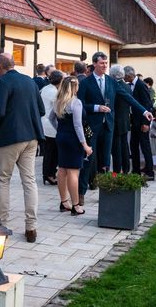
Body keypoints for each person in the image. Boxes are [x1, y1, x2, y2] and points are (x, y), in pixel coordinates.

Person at [77, 52, 153, 205]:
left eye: (106, 63)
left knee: (106, 160)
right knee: (89, 159)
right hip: (92, 126)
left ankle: (105, 192)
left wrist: (144, 111)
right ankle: (81, 193)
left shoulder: (112, 81)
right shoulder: (85, 82)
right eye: (102, 63)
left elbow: (128, 97)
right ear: (94, 64)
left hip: (109, 126)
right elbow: (80, 105)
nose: (105, 65)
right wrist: (96, 107)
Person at [0, 54, 45, 243]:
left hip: (10, 136)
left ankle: (2, 222)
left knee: (3, 179)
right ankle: (31, 227)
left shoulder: (2, 81)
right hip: (31, 136)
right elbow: (42, 110)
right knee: (29, 181)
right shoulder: (29, 81)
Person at [50, 77, 93, 216]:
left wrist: (59, 130)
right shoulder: (76, 102)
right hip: (73, 139)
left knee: (62, 170)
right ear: (74, 87)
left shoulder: (58, 101)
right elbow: (78, 125)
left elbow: (51, 118)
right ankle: (76, 205)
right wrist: (85, 145)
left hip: (61, 137)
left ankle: (64, 202)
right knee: (73, 172)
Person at [125, 65, 155, 180]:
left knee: (145, 146)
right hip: (134, 121)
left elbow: (148, 105)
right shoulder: (130, 85)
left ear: (130, 75)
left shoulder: (141, 85)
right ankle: (136, 170)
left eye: (125, 77)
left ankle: (149, 172)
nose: (124, 79)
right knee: (133, 145)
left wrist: (146, 123)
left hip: (142, 121)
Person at [41, 70, 64, 185]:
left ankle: (47, 173)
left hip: (45, 124)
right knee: (52, 152)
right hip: (51, 125)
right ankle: (49, 174)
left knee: (49, 151)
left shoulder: (45, 89)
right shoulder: (54, 92)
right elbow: (59, 107)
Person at [110, 65, 131, 174]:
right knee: (124, 146)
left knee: (116, 148)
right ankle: (126, 169)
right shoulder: (127, 86)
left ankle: (116, 171)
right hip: (125, 120)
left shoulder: (115, 87)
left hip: (116, 121)